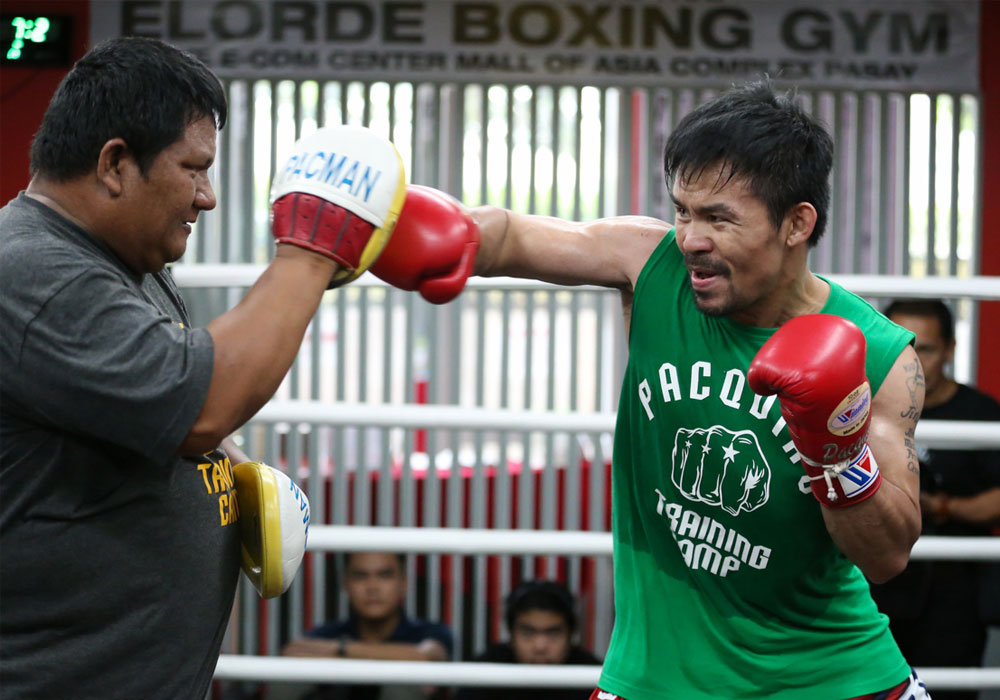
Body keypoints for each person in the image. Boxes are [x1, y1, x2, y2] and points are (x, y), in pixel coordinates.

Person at [372, 81, 932, 699]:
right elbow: (512, 235)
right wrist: (418, 227)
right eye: (684, 210)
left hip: (835, 679)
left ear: (797, 223)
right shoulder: (650, 264)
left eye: (720, 218)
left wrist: (838, 452)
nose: (692, 238)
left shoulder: (881, 358)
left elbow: (887, 556)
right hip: (653, 679)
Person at [0, 38, 404, 699]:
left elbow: (151, 402)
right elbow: (199, 406)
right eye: (194, 169)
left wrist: (236, 468)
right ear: (114, 164)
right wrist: (310, 250)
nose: (207, 197)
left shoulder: (130, 269)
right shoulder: (34, 274)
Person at [869, 299, 1000, 700]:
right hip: (876, 585)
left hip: (952, 591)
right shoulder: (862, 407)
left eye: (923, 348)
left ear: (949, 349)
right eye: (901, 344)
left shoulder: (980, 414)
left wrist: (937, 507)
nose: (911, 358)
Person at [279, 551, 453, 700]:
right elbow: (291, 653)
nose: (373, 587)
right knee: (288, 679)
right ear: (345, 584)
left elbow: (425, 657)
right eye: (361, 576)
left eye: (385, 575)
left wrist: (340, 649)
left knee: (405, 683)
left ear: (403, 583)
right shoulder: (328, 633)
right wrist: (397, 656)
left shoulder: (429, 631)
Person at [454, 580, 601, 700]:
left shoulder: (595, 677)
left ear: (570, 635)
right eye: (528, 633)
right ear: (511, 634)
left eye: (553, 633)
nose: (540, 646)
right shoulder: (484, 673)